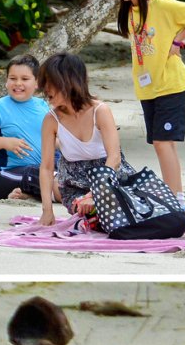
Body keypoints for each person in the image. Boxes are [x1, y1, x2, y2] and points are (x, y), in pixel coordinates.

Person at [113, 0, 185, 208]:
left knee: (161, 142)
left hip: (170, 83)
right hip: (148, 88)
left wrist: (178, 40)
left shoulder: (161, 4)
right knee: (161, 144)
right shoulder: (132, 11)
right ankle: (174, 196)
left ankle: (175, 200)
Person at [37, 52, 135, 227]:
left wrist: (95, 193)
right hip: (74, 186)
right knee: (93, 217)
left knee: (122, 214)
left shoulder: (100, 111)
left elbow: (115, 158)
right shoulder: (51, 120)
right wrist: (47, 211)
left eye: (49, 83)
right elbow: (46, 167)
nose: (45, 89)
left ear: (68, 81)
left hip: (110, 179)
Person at [0, 54, 58, 201]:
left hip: (46, 169)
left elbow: (54, 140)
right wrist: (4, 142)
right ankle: (68, 196)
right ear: (6, 82)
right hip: (5, 174)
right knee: (43, 177)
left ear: (37, 82)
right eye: (13, 78)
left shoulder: (44, 106)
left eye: (25, 79)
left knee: (66, 175)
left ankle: (29, 194)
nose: (18, 83)